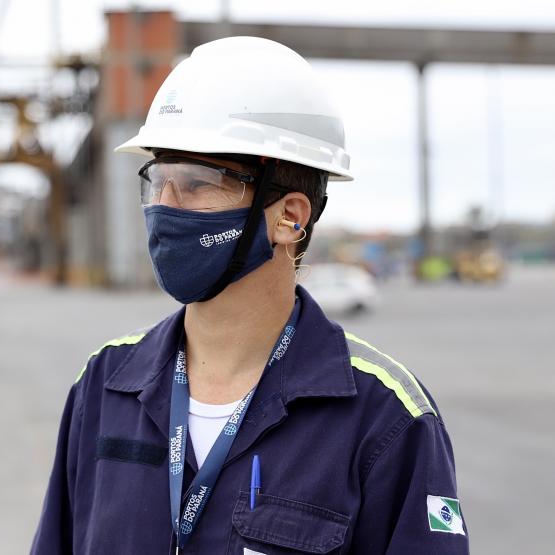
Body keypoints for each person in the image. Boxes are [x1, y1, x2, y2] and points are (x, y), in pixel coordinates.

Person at [31, 37, 468, 554]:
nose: (164, 207)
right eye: (158, 180)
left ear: (290, 217)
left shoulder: (385, 418)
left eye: (197, 183)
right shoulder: (104, 386)